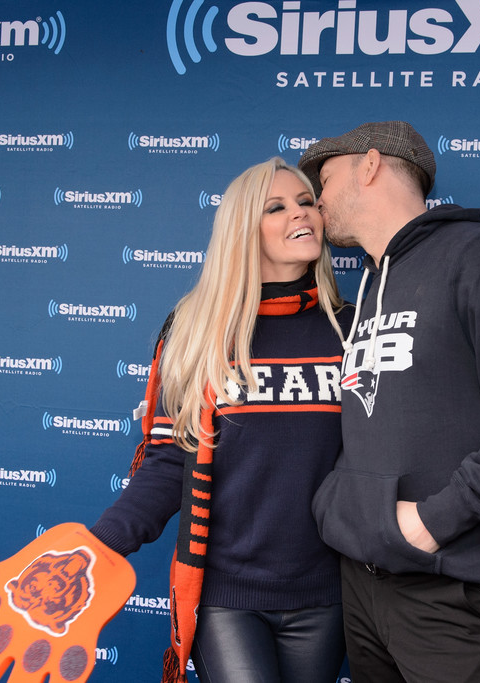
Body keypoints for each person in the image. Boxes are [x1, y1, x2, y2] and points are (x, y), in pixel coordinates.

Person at [298, 121, 480, 683]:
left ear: (370, 165)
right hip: (367, 586)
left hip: (459, 589)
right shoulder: (370, 289)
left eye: (324, 181)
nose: (317, 202)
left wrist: (435, 521)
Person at [90, 157, 351, 683]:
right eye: (275, 207)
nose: (300, 215)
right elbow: (168, 463)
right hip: (227, 595)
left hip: (328, 593)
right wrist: (96, 547)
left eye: (306, 202)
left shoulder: (352, 330)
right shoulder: (197, 331)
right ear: (241, 230)